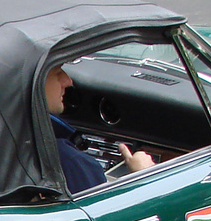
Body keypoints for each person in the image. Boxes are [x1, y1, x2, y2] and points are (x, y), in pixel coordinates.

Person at [45, 64, 153, 194]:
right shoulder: (69, 163)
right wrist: (143, 177)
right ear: (31, 82)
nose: (68, 81)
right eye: (57, 72)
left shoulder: (20, 145)